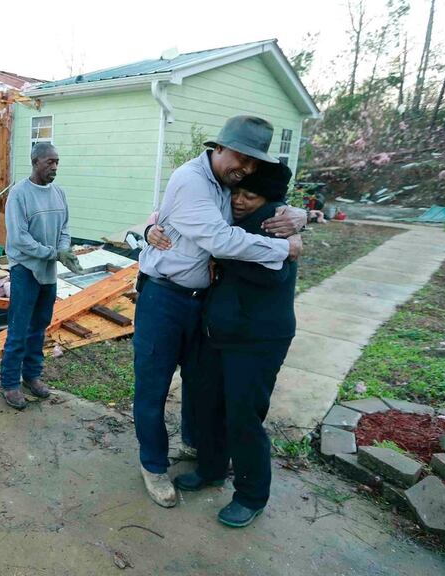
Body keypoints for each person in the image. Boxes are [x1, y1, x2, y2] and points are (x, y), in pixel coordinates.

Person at [134, 115, 305, 508]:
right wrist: (286, 249)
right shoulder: (193, 179)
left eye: (252, 163)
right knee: (153, 386)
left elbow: (267, 202)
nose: (244, 168)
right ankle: (153, 465)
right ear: (219, 147)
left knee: (200, 385)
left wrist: (300, 217)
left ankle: (196, 447)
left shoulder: (228, 185)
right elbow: (220, 239)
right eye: (240, 157)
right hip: (164, 298)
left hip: (202, 301)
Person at [173, 161, 298, 528]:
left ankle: (251, 495)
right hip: (221, 334)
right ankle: (211, 469)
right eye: (237, 192)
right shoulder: (232, 219)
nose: (240, 201)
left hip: (258, 340)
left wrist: (220, 253)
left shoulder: (275, 222)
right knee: (206, 404)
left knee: (243, 417)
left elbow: (274, 273)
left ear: (269, 199)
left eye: (250, 195)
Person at [0, 143, 83, 409]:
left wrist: (63, 250)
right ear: (35, 162)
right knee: (19, 328)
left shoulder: (59, 193)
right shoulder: (19, 194)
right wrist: (53, 254)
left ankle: (32, 376)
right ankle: (10, 383)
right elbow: (19, 239)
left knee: (39, 326)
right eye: (50, 162)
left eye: (57, 162)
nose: (55, 167)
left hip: (48, 271)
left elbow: (66, 228)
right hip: (25, 269)